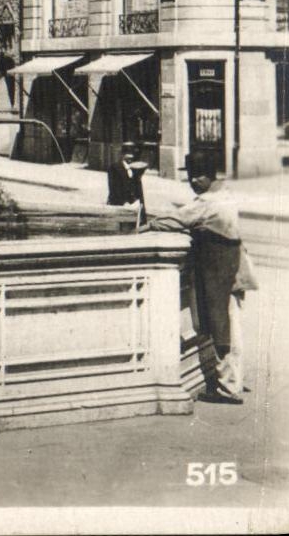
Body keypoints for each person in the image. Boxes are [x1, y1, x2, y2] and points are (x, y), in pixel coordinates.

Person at [146, 151, 249, 403]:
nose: (193, 181)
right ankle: (235, 381)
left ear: (209, 176)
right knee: (232, 326)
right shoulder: (226, 194)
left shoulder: (206, 203)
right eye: (191, 175)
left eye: (198, 176)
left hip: (216, 271)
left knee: (220, 327)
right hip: (233, 267)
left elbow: (176, 219)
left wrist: (148, 225)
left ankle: (228, 389)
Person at [106, 139, 148, 224]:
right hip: (120, 204)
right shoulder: (114, 168)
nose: (130, 157)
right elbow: (113, 189)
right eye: (127, 154)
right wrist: (124, 202)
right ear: (122, 155)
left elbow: (139, 190)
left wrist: (141, 206)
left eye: (132, 154)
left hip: (134, 206)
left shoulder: (136, 168)